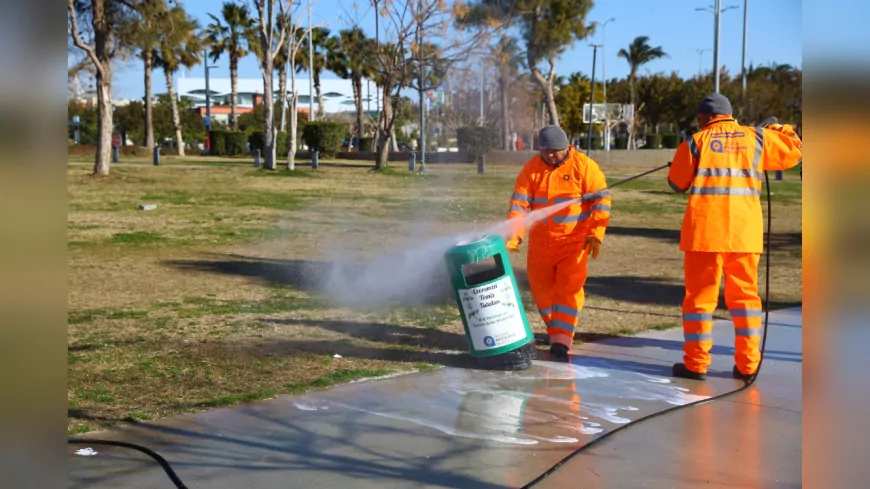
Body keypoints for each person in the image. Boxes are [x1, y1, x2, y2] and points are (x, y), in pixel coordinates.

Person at [667, 93, 802, 381]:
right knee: (745, 301)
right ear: (729, 114)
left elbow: (677, 184)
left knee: (700, 302)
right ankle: (748, 366)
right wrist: (776, 129)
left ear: (704, 116)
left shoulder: (695, 141)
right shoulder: (756, 138)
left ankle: (696, 364)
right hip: (744, 234)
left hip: (704, 234)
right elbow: (795, 148)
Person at [505, 125, 612, 361]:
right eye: (546, 151)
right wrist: (515, 234)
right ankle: (555, 330)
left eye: (556, 151)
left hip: (574, 244)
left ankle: (562, 340)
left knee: (568, 291)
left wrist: (595, 234)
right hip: (541, 245)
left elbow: (602, 203)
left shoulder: (585, 166)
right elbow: (519, 205)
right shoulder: (531, 169)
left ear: (566, 147)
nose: (551, 155)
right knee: (541, 291)